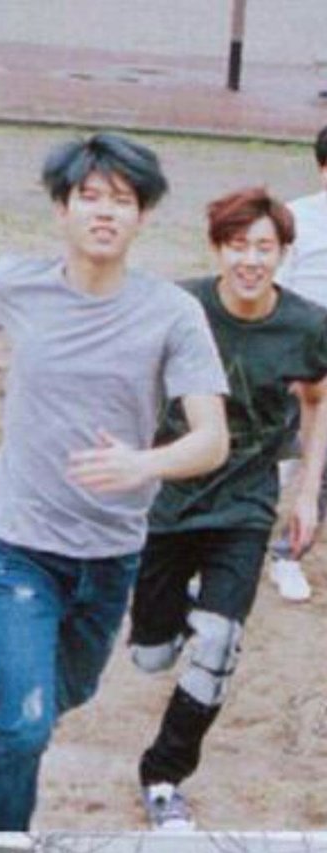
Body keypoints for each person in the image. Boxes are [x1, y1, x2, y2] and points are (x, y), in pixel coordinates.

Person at [0, 132, 229, 831]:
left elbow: (212, 439)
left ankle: (3, 722)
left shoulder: (171, 313)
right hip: (18, 546)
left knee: (69, 693)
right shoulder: (17, 283)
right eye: (90, 197)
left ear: (143, 216)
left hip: (111, 552)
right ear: (62, 208)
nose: (105, 212)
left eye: (123, 200)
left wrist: (143, 463)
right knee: (27, 727)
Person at [130, 187, 327, 831]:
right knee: (151, 655)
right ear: (217, 249)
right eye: (238, 246)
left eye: (264, 248)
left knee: (218, 645)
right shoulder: (179, 307)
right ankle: (183, 614)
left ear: (283, 253)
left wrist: (306, 493)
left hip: (244, 506)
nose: (251, 261)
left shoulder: (307, 325)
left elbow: (317, 401)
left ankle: (164, 776)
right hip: (167, 503)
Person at [269, 124, 327, 601]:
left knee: (319, 470)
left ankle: (288, 555)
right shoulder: (295, 219)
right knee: (269, 459)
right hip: (298, 355)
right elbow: (275, 289)